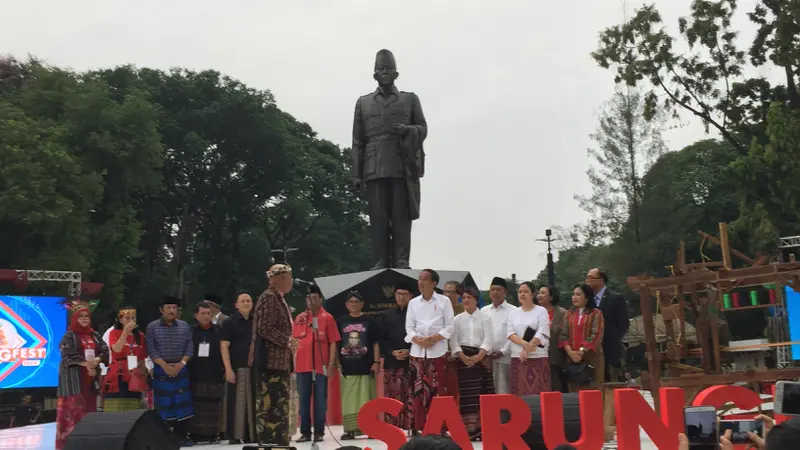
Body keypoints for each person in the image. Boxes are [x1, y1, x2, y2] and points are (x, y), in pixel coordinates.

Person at [351, 49, 428, 269]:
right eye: (380, 69)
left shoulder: (409, 99)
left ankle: (402, 259)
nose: (385, 73)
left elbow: (423, 129)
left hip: (401, 164)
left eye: (388, 69)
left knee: (401, 216)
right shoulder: (363, 103)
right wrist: (356, 173)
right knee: (378, 219)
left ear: (396, 73)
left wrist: (407, 130)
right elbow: (358, 141)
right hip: (373, 167)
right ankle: (380, 260)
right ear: (374, 74)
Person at [249, 264, 296, 446]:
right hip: (269, 362)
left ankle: (279, 442)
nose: (291, 282)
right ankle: (271, 443)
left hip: (279, 362)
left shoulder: (278, 298)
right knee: (270, 407)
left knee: (279, 406)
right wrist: (287, 341)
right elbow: (265, 328)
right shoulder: (268, 298)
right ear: (281, 278)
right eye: (290, 278)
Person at [406, 268, 455, 431]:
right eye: (419, 278)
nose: (421, 282)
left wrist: (433, 339)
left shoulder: (444, 301)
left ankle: (439, 427)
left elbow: (449, 327)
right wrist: (419, 340)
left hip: (437, 351)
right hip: (417, 352)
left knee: (438, 389)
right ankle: (418, 426)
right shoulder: (413, 303)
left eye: (425, 279)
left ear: (434, 283)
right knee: (417, 391)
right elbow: (409, 328)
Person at [56, 300, 109, 450]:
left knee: (88, 417)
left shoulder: (95, 334)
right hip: (73, 383)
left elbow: (105, 351)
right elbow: (67, 354)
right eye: (81, 316)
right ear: (75, 318)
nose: (85, 318)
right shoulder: (69, 335)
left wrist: (97, 360)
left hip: (90, 383)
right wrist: (86, 364)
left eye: (87, 316)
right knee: (71, 417)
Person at [293, 284, 340, 443]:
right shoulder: (299, 318)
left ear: (320, 299)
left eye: (314, 298)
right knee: (304, 400)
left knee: (320, 399)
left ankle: (319, 431)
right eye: (308, 298)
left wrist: (332, 363)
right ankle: (305, 432)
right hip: (302, 365)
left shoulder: (328, 318)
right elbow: (293, 341)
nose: (311, 301)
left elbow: (333, 342)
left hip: (321, 365)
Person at [146, 295, 194, 446]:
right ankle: (163, 440)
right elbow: (151, 349)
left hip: (181, 368)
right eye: (169, 308)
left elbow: (190, 347)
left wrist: (181, 364)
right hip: (162, 370)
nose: (172, 311)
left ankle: (182, 437)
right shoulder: (152, 327)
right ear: (161, 310)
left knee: (183, 404)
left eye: (174, 308)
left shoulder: (184, 326)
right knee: (164, 405)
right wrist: (165, 366)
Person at [450, 286, 494, 440]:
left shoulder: (485, 317)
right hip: (463, 360)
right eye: (464, 298)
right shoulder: (457, 319)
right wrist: (462, 356)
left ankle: (482, 429)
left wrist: (479, 356)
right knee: (467, 395)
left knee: (481, 393)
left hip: (480, 359)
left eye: (470, 297)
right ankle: (468, 429)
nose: (466, 300)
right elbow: (453, 340)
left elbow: (488, 338)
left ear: (476, 299)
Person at [335, 290, 380, 440]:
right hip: (347, 367)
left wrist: (376, 362)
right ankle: (350, 430)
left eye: (356, 302)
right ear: (346, 304)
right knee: (349, 399)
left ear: (362, 304)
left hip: (366, 366)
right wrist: (336, 362)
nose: (353, 304)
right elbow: (336, 344)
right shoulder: (340, 322)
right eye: (351, 302)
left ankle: (371, 428)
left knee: (367, 398)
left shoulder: (370, 321)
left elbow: (375, 343)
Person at [221, 292, 255, 444]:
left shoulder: (257, 322)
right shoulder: (229, 322)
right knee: (235, 403)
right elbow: (224, 347)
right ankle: (234, 436)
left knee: (253, 402)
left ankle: (251, 435)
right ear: (236, 305)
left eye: (248, 300)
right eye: (243, 301)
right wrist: (228, 369)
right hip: (235, 368)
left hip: (254, 369)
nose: (246, 303)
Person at [188, 301, 225, 443]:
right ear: (196, 315)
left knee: (214, 404)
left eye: (208, 313)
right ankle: (195, 434)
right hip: (196, 373)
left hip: (214, 373)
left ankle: (213, 433)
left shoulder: (218, 330)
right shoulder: (190, 331)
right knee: (197, 404)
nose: (206, 316)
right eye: (202, 313)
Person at [559, 284, 605, 393]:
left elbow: (596, 334)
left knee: (593, 388)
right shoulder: (569, 314)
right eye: (573, 294)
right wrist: (570, 352)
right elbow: (563, 334)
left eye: (578, 294)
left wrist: (581, 351)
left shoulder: (596, 313)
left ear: (587, 298)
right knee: (574, 388)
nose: (574, 297)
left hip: (591, 357)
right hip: (572, 358)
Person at [380, 282, 414, 431]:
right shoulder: (387, 315)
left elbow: (419, 336)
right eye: (399, 294)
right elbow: (381, 339)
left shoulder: (415, 314)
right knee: (392, 395)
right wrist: (392, 352)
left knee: (410, 394)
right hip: (391, 361)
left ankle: (411, 425)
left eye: (405, 294)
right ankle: (392, 427)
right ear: (395, 296)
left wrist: (410, 351)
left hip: (411, 360)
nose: (401, 297)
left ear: (410, 296)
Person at [507, 282, 551, 395]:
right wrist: (525, 345)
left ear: (533, 294)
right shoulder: (513, 313)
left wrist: (527, 349)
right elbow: (511, 333)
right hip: (518, 356)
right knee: (519, 391)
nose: (522, 294)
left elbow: (543, 331)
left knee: (539, 391)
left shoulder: (541, 311)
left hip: (538, 355)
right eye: (520, 292)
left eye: (526, 292)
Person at [585, 268, 629, 382]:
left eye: (590, 278)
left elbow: (623, 323)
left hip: (611, 349)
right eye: (587, 278)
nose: (587, 281)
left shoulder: (615, 298)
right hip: (593, 350)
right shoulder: (587, 301)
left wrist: (615, 340)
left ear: (601, 280)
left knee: (613, 382)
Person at [104, 306, 148, 412]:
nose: (130, 321)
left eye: (133, 318)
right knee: (116, 407)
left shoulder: (140, 336)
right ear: (120, 320)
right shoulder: (114, 333)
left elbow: (142, 358)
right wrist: (125, 332)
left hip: (134, 374)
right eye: (127, 318)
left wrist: (143, 375)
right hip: (118, 373)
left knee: (133, 407)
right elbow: (117, 349)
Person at [480, 277, 516, 394]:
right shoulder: (484, 311)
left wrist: (502, 351)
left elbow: (515, 335)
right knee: (489, 390)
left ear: (505, 292)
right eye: (493, 290)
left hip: (505, 358)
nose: (495, 292)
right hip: (487, 358)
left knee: (505, 390)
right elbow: (481, 334)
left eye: (499, 290)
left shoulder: (513, 311)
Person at [537, 285, 568, 392]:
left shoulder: (562, 313)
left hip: (556, 357)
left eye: (543, 293)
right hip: (538, 355)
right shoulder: (535, 312)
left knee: (556, 386)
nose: (539, 295)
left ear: (551, 297)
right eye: (539, 293)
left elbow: (565, 333)